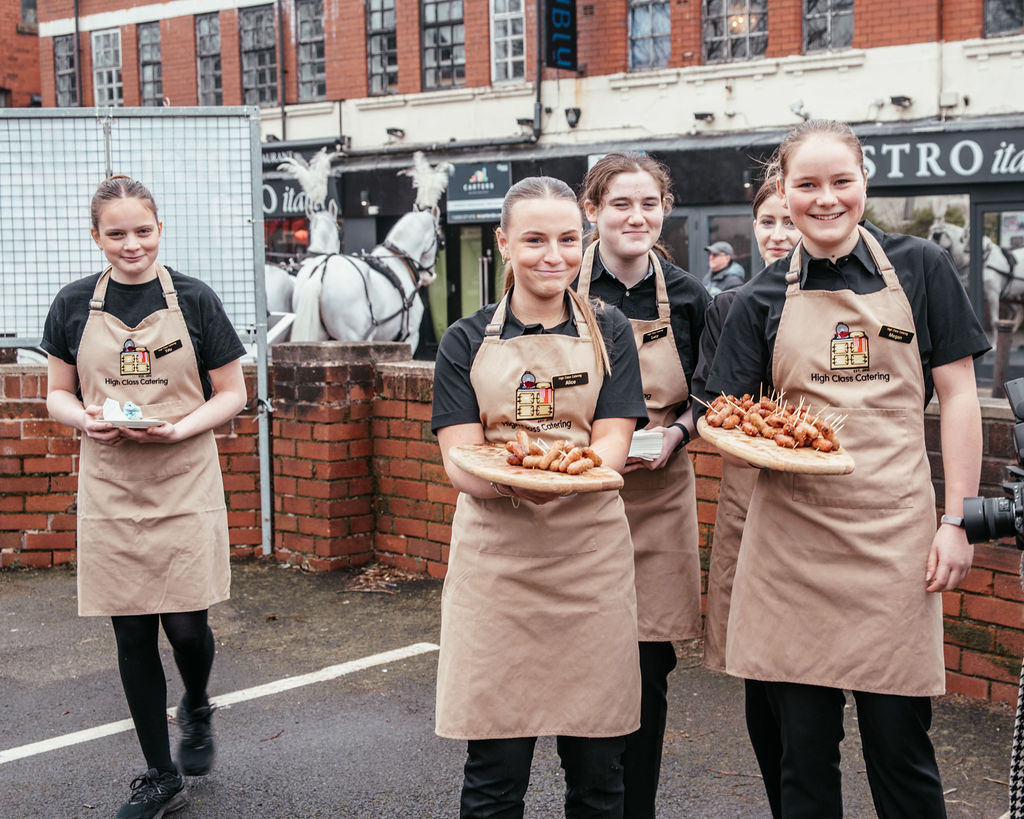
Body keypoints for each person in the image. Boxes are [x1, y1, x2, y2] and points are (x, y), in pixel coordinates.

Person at [705, 119, 989, 818]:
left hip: (894, 542)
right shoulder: (759, 298)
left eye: (841, 181)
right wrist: (753, 440)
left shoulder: (921, 267)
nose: (826, 198)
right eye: (807, 184)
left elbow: (959, 397)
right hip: (791, 549)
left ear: (865, 182)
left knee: (901, 749)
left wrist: (958, 519)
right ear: (784, 191)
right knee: (802, 758)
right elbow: (729, 417)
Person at [432, 176, 648, 818]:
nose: (553, 256)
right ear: (504, 244)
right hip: (497, 566)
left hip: (589, 563)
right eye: (534, 240)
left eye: (567, 240)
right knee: (494, 778)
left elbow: (613, 443)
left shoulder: (610, 331)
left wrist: (557, 481)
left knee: (599, 776)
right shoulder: (464, 340)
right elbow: (461, 460)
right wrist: (523, 483)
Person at [42, 175, 247, 819]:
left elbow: (232, 392)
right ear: (96, 237)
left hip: (183, 476)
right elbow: (57, 394)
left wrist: (180, 429)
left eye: (142, 231)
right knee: (131, 630)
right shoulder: (73, 303)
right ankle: (160, 775)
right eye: (117, 234)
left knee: (186, 626)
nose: (131, 244)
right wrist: (85, 421)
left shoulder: (196, 299)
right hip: (110, 482)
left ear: (160, 229)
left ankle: (196, 703)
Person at [575, 152, 709, 818]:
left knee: (648, 664)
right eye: (620, 204)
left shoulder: (689, 296)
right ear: (592, 210)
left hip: (657, 493)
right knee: (583, 656)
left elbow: (712, 393)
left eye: (649, 204)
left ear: (665, 209)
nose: (637, 217)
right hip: (576, 495)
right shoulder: (560, 287)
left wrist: (679, 433)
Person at [695, 170, 801, 818]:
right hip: (748, 492)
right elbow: (710, 404)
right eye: (767, 222)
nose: (779, 234)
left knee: (810, 685)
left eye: (789, 220)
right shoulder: (731, 304)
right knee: (758, 674)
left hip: (824, 496)